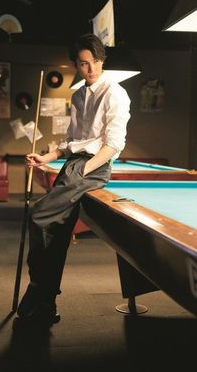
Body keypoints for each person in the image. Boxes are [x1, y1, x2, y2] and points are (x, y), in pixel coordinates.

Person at [17, 33, 131, 326]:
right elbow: (72, 141)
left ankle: (38, 288)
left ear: (102, 60)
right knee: (55, 234)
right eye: (83, 64)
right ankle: (46, 304)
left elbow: (113, 144)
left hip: (95, 166)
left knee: (40, 215)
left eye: (94, 62)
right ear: (76, 66)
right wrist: (46, 157)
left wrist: (85, 169)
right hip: (73, 164)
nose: (90, 68)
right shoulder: (78, 95)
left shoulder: (115, 93)